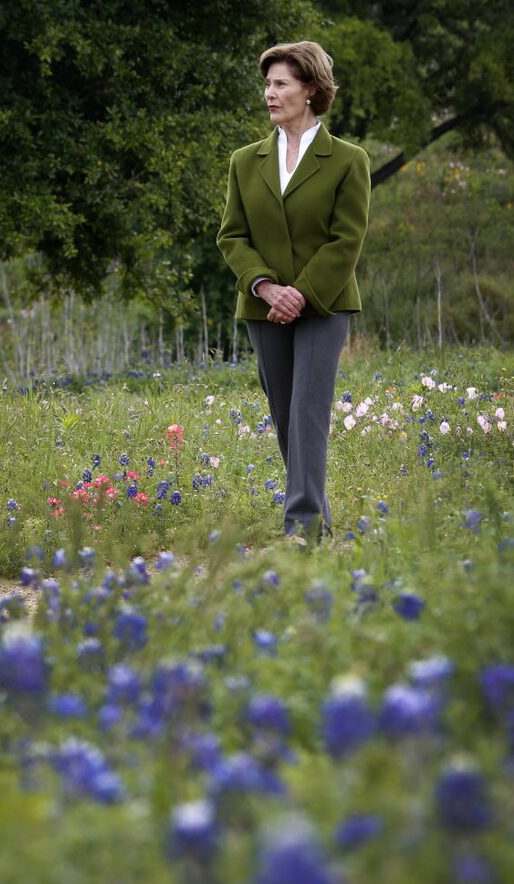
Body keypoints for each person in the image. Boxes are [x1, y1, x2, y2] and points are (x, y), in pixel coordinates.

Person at [217, 40, 370, 545]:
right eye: (268, 84)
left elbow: (346, 239)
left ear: (310, 90)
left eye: (280, 83)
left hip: (323, 306)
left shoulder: (349, 160)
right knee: (286, 416)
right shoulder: (244, 160)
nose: (269, 93)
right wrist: (264, 286)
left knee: (307, 411)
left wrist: (299, 293)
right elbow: (232, 236)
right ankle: (319, 525)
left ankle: (300, 532)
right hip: (263, 306)